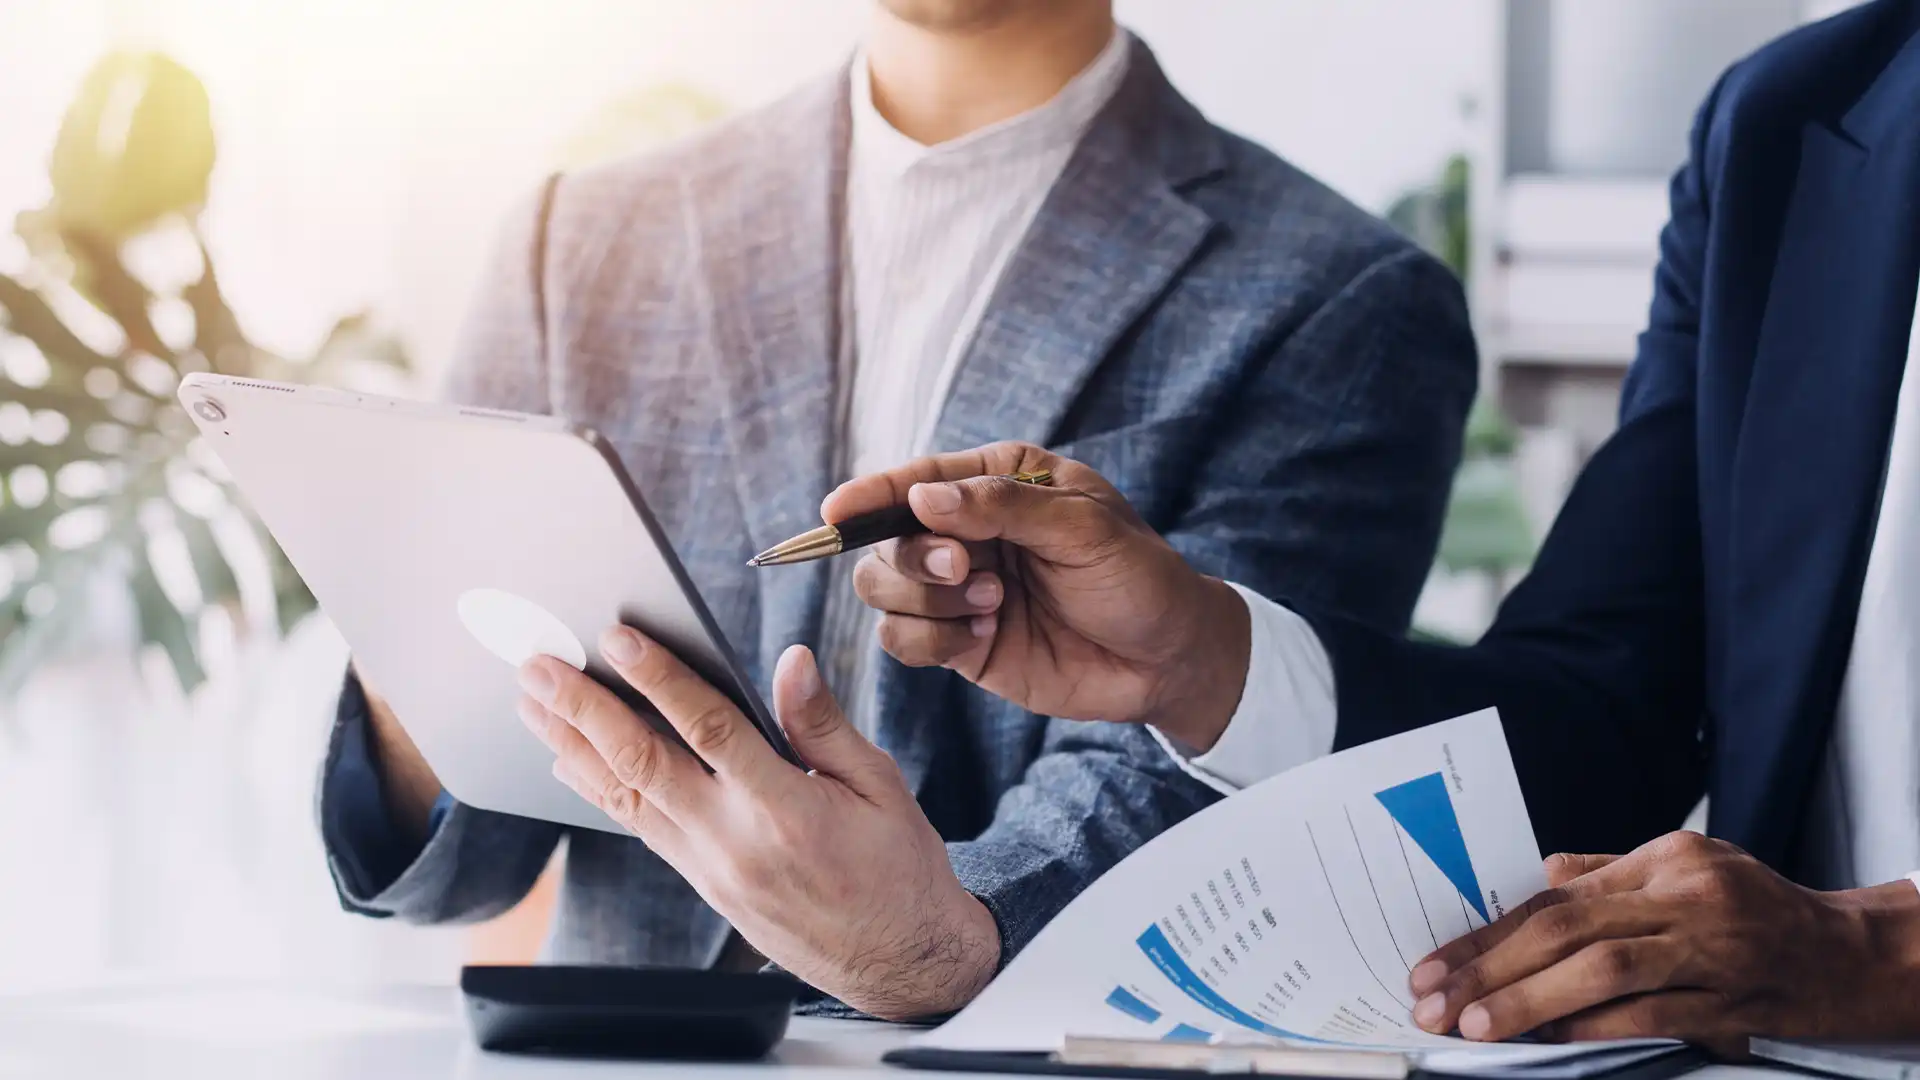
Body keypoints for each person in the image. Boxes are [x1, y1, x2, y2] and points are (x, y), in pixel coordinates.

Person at [319, 0, 1477, 1020]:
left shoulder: (1340, 295)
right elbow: (462, 856)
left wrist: (928, 936)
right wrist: (412, 641)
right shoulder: (576, 242)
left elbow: (1193, 788)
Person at [829, 0, 1920, 1047]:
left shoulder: (1338, 291)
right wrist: (1208, 659)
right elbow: (1607, 717)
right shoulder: (1794, 120)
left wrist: (1878, 959)